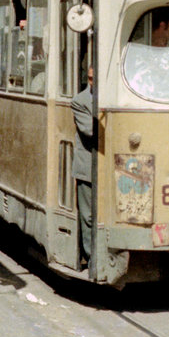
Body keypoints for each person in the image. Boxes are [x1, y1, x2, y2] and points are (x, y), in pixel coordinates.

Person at [71, 67, 96, 268]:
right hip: (88, 166)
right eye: (90, 79)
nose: (92, 83)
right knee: (88, 215)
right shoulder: (79, 101)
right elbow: (90, 130)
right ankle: (90, 255)